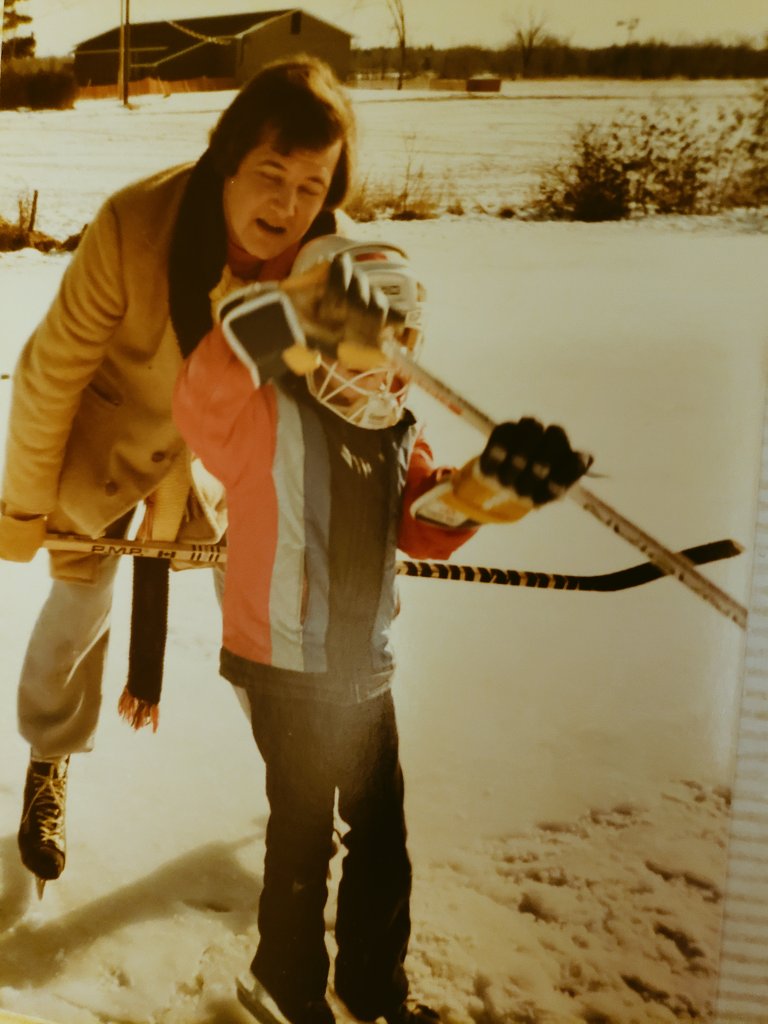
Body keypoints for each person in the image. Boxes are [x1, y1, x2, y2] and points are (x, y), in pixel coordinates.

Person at [172, 235, 591, 1024]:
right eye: (367, 328)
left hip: (364, 669)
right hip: (284, 665)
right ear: (318, 334)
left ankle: (373, 986)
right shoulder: (261, 413)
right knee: (302, 835)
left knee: (382, 838)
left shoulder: (398, 427)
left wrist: (482, 493)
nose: (387, 354)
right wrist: (294, 305)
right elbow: (202, 391)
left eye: (403, 333)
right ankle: (283, 982)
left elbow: (422, 520)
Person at [0, 55, 357, 891]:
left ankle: (301, 786)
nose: (289, 204)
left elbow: (338, 400)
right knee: (79, 603)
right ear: (226, 158)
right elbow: (51, 372)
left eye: (313, 184)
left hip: (224, 464)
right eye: (271, 174)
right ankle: (50, 760)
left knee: (269, 618)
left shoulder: (325, 265)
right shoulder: (136, 225)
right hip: (108, 443)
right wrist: (20, 507)